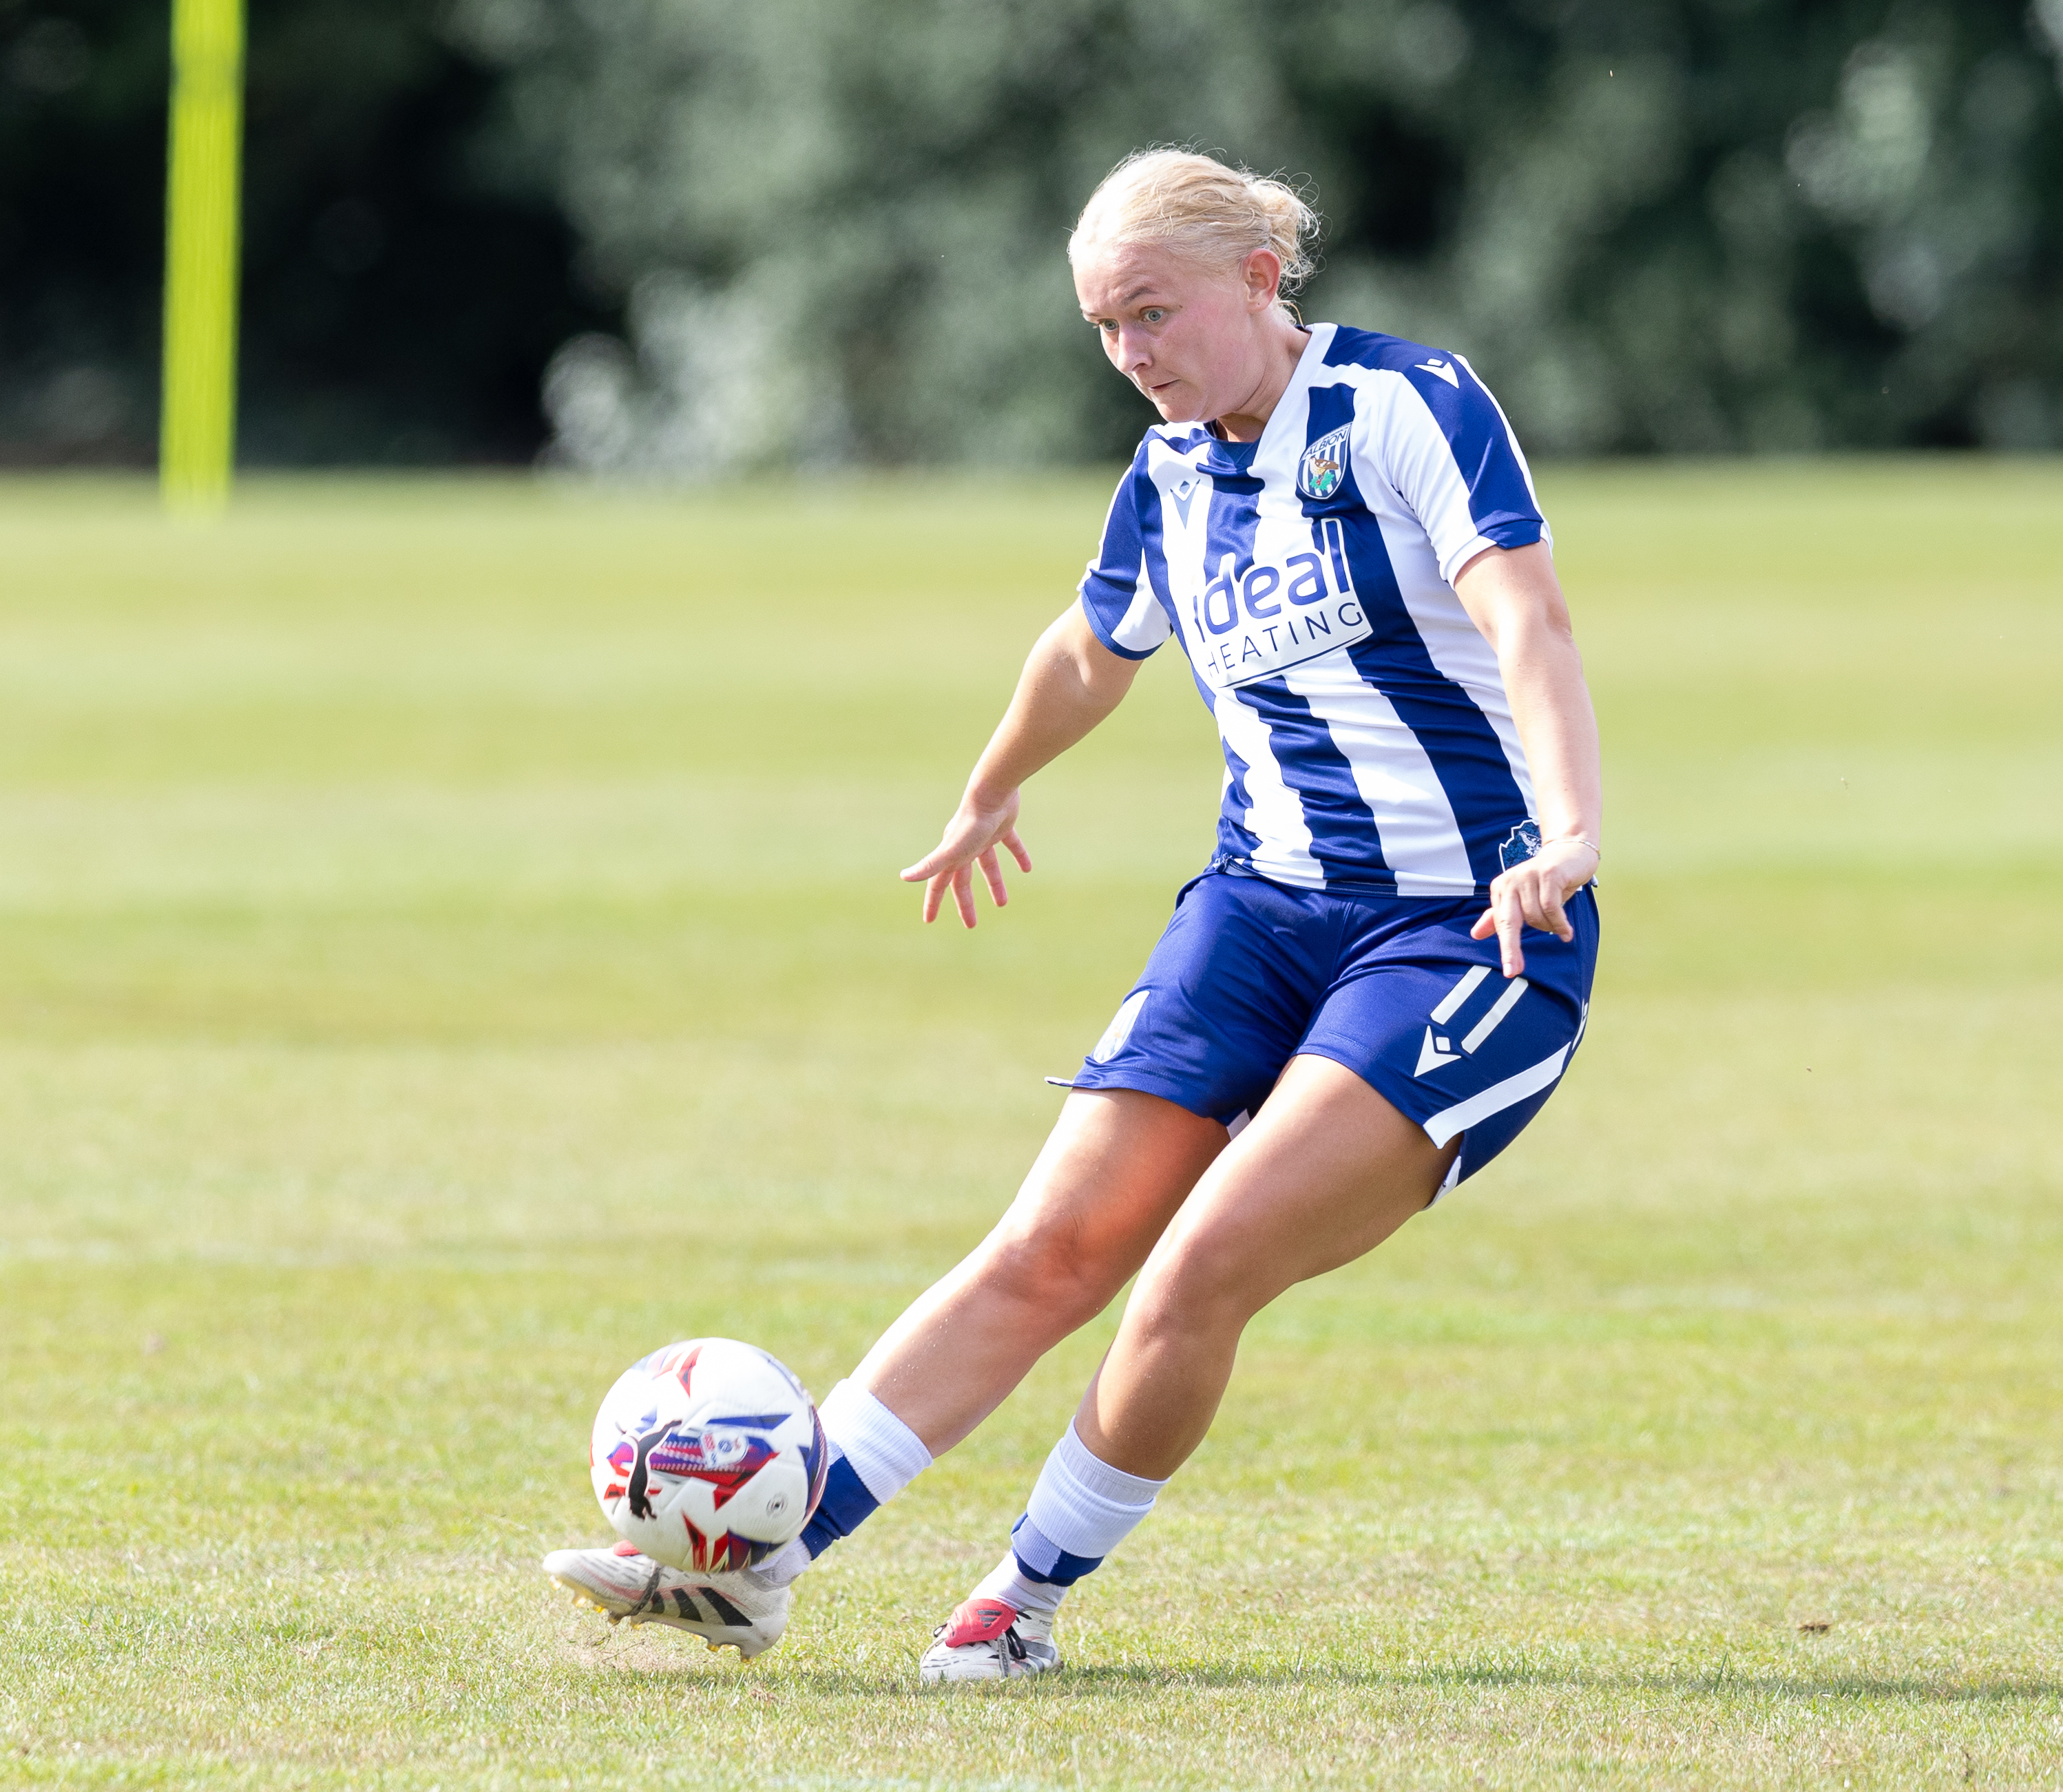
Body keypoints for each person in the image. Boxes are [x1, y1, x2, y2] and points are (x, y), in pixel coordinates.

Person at [543, 147, 1604, 1680]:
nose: (1130, 357)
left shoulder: (1404, 407)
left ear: (1257, 278)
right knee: (1050, 1244)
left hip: (1470, 929)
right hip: (1254, 913)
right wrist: (990, 786)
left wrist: (1565, 828)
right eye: (1104, 328)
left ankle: (1020, 1602)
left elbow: (1524, 611)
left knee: (1197, 1267)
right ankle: (757, 1569)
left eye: (1152, 314)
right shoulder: (1172, 471)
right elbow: (1091, 648)